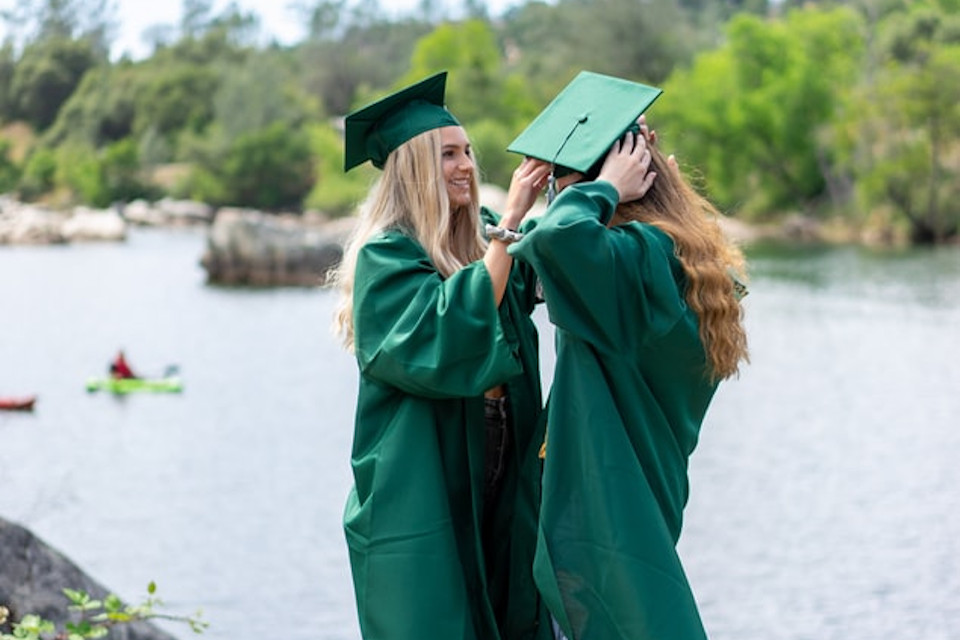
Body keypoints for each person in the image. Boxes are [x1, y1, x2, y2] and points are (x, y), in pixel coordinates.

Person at [505, 71, 750, 640]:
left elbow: (557, 239)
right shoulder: (679, 257)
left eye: (562, 187)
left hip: (605, 500)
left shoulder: (641, 258)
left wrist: (603, 187)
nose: (557, 199)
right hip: (638, 485)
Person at [331, 71, 554, 640]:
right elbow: (448, 330)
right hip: (422, 482)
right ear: (415, 170)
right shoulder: (387, 259)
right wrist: (509, 225)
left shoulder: (481, 238)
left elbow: (544, 277)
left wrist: (583, 182)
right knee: (440, 614)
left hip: (500, 455)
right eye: (448, 154)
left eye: (469, 152)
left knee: (508, 599)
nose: (466, 166)